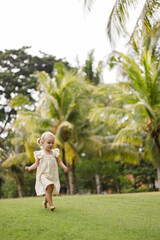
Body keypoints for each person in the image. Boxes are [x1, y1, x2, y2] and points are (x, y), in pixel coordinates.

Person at [25, 131, 68, 211]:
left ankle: (45, 202)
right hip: (43, 175)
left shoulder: (54, 153)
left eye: (52, 143)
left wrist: (64, 167)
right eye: (49, 143)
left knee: (50, 190)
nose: (51, 145)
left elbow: (59, 161)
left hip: (52, 175)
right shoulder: (40, 154)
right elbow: (36, 164)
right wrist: (29, 168)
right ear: (42, 143)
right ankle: (51, 205)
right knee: (48, 188)